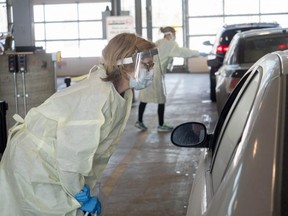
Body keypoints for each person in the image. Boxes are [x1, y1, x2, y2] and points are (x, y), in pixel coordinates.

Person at [0, 33, 158, 216]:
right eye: (146, 65)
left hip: (52, 160)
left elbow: (90, 151)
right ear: (124, 65)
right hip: (34, 164)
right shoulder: (95, 99)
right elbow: (70, 160)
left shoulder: (121, 92)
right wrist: (79, 194)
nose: (150, 70)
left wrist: (82, 189)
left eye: (152, 65)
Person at [135, 26, 201, 132]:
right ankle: (161, 125)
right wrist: (198, 52)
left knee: (144, 98)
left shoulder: (158, 42)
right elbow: (182, 52)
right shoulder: (171, 44)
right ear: (170, 34)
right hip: (156, 74)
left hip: (146, 71)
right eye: (174, 34)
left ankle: (139, 121)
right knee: (161, 99)